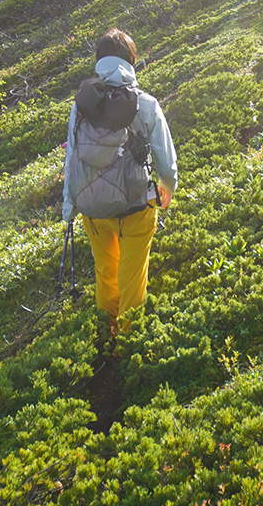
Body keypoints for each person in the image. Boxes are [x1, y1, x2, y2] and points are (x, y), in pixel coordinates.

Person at [62, 28, 177, 330]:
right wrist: (167, 187)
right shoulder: (146, 104)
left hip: (93, 208)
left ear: (98, 62)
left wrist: (69, 205)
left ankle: (105, 335)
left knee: (106, 273)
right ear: (132, 62)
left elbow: (72, 156)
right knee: (131, 277)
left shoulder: (81, 105)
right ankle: (128, 342)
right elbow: (167, 159)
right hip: (136, 207)